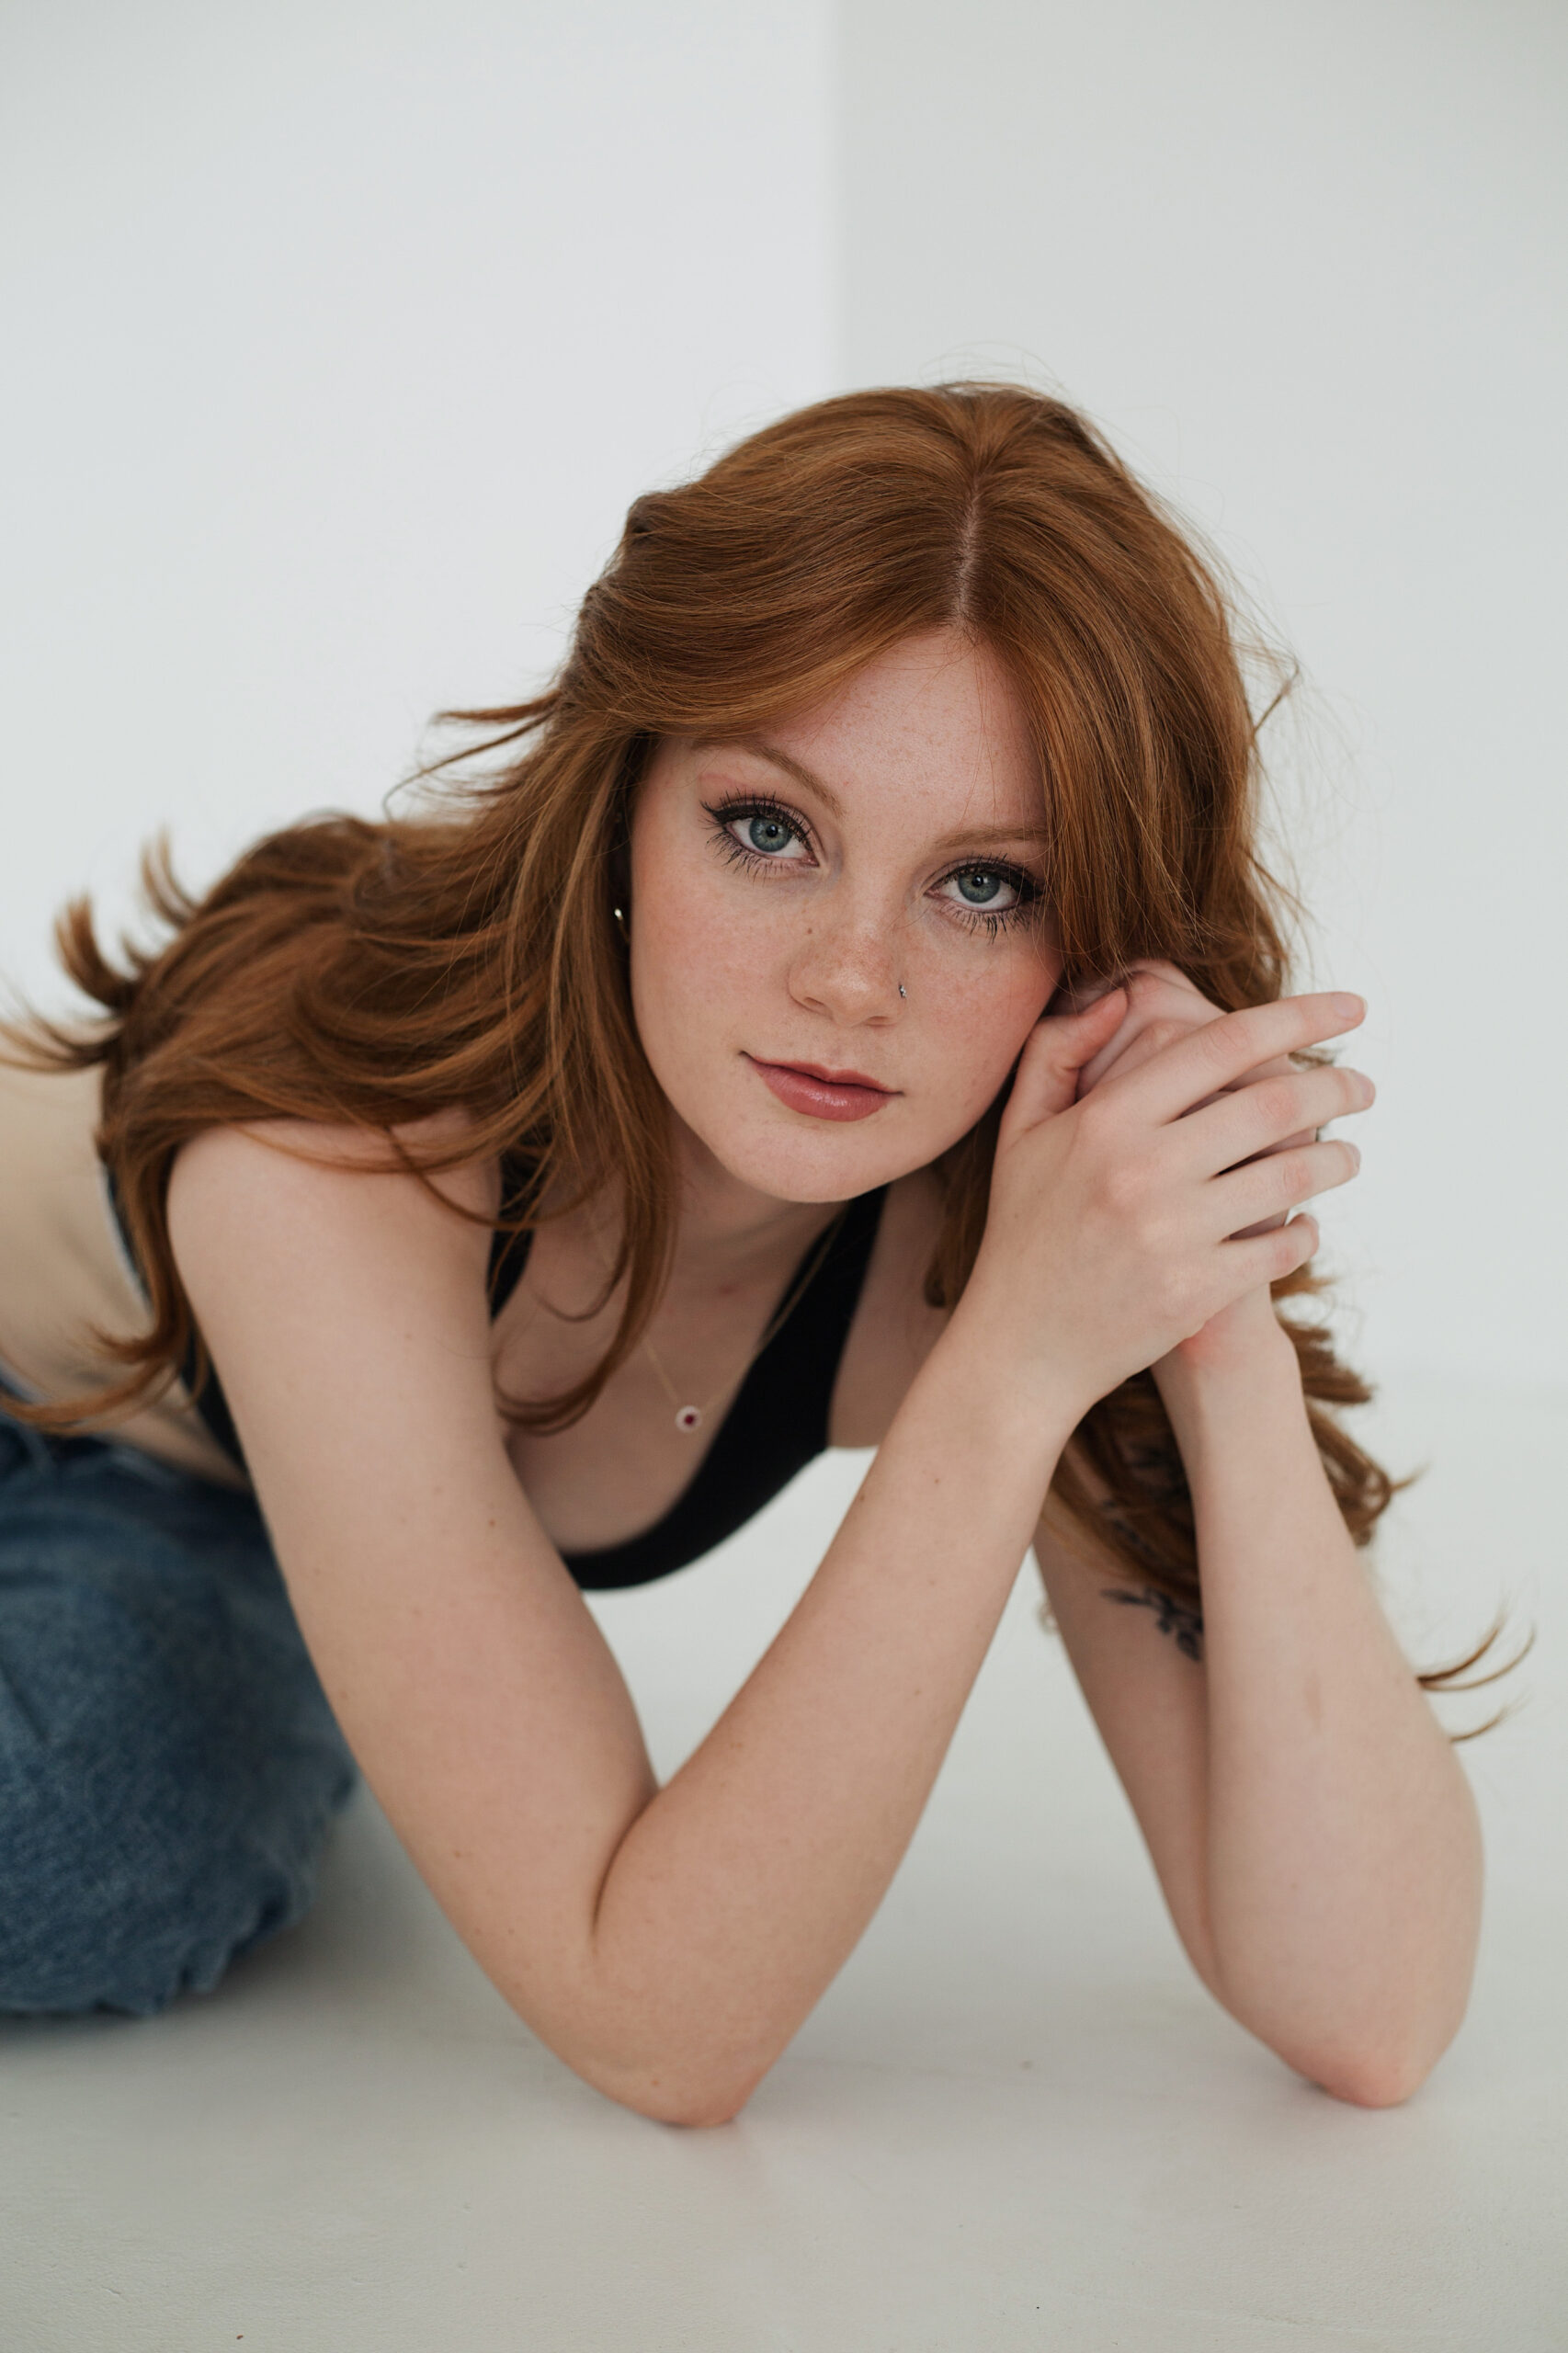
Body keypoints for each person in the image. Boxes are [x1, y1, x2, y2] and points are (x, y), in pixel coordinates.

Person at [0, 383, 1484, 2123]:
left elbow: (1370, 2014)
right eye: (768, 831)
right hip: (56, 1403)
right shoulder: (337, 1146)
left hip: (189, 1513)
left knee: (83, 1830)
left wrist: (1200, 1307)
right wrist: (1007, 1375)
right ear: (622, 798)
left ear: (1103, 936)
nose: (851, 983)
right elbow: (659, 2028)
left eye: (985, 884)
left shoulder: (1008, 1234)